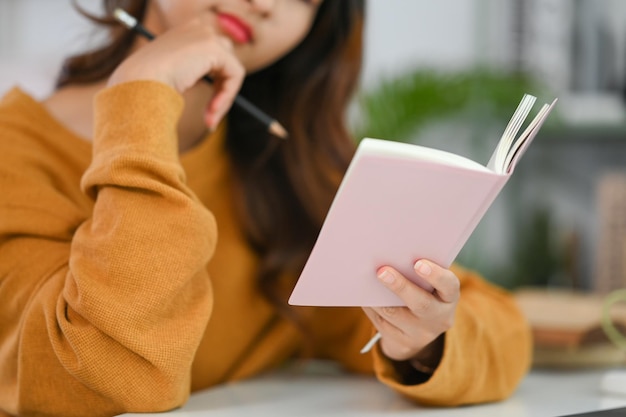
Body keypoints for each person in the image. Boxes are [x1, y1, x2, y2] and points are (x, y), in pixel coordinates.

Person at [0, 1, 532, 416]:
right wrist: (140, 102)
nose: (264, 2)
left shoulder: (286, 170)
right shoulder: (15, 150)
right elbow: (107, 375)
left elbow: (503, 329)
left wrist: (422, 343)